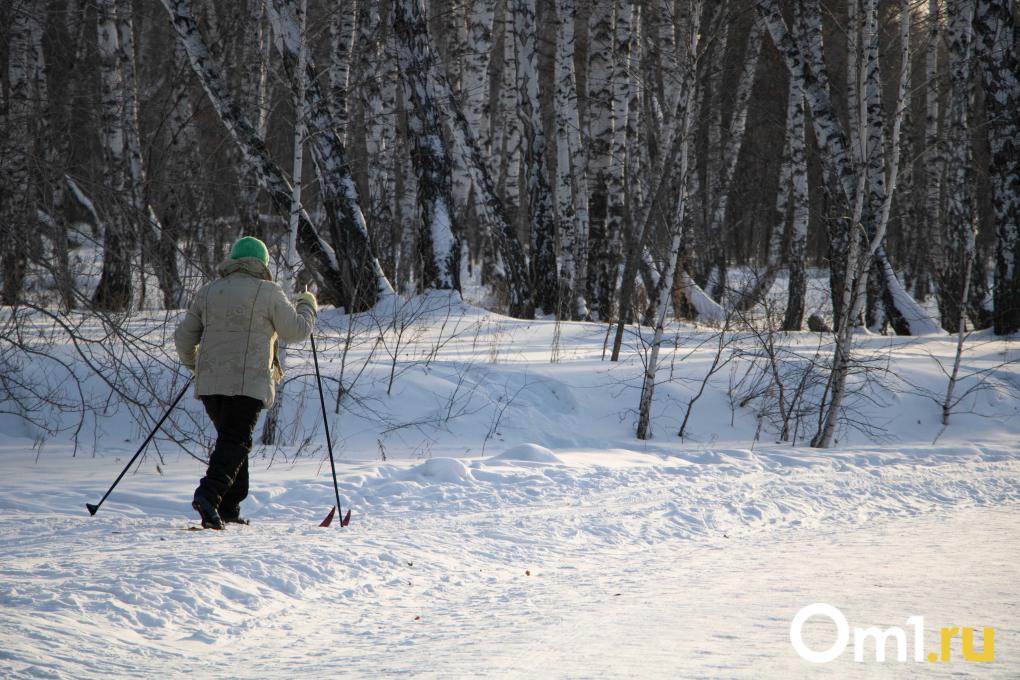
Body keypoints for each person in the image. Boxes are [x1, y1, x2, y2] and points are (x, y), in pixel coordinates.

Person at [174, 236, 318, 529]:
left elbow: (183, 338)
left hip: (211, 385)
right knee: (236, 441)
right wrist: (307, 305)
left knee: (232, 441)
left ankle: (228, 508)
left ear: (233, 259)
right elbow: (296, 331)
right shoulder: (269, 292)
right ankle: (208, 495)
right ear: (262, 263)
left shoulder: (209, 292)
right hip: (248, 382)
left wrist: (196, 367)